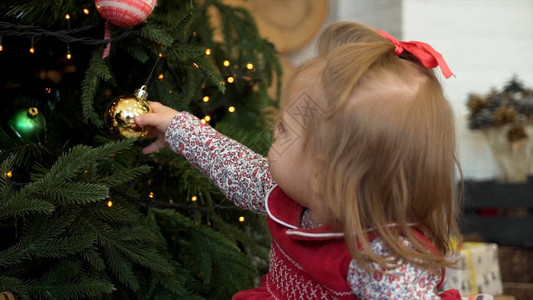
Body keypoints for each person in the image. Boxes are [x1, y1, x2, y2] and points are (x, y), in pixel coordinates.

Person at [135, 21, 463, 299]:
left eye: (285, 129)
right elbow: (236, 168)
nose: (274, 130)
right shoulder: (291, 194)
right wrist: (176, 126)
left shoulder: (383, 261)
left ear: (323, 171)